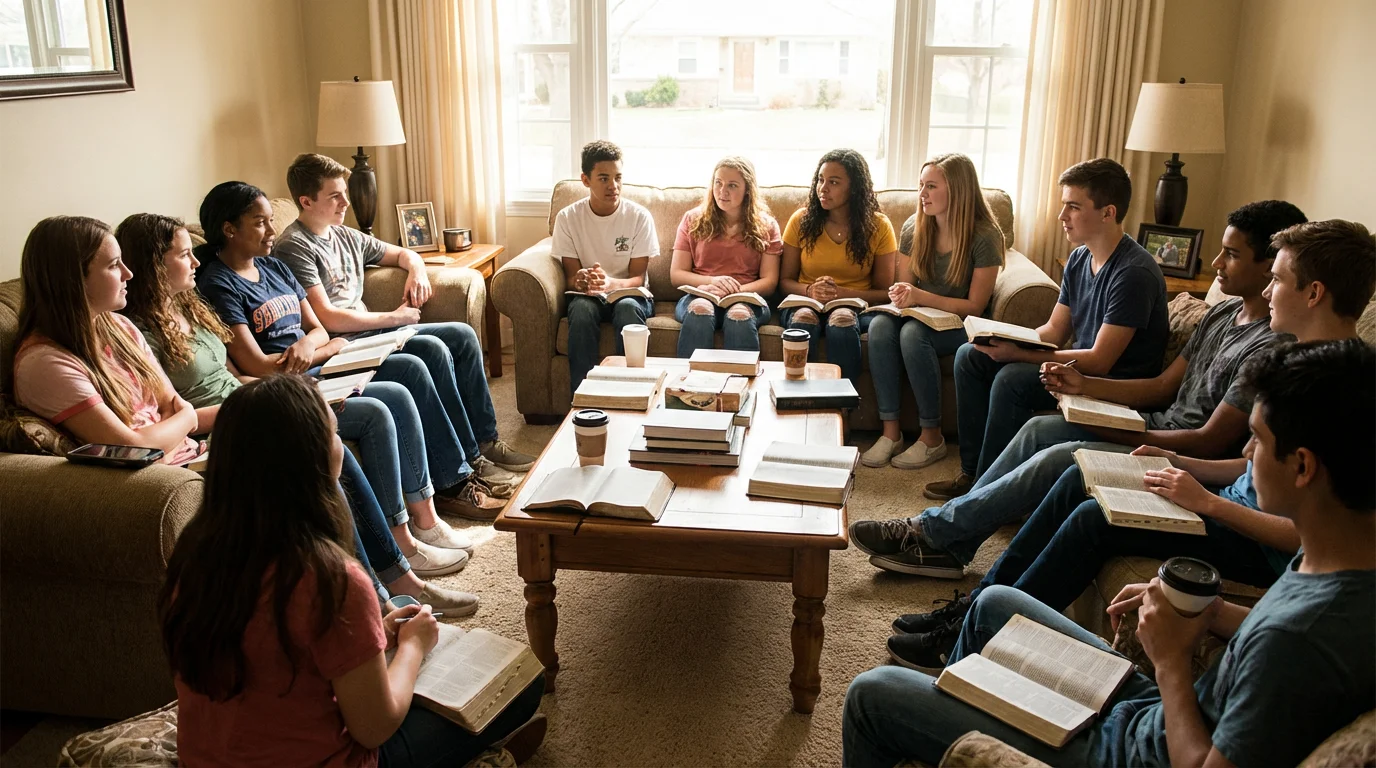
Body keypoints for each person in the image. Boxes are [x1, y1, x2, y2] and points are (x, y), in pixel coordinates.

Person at [844, 338, 1375, 768]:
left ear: (1303, 468)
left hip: (1129, 750)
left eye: (1256, 441)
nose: (1245, 454)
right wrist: (1212, 612)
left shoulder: (1298, 642)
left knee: (872, 694)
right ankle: (953, 726)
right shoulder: (1338, 553)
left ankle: (944, 729)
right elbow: (1277, 619)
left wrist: (1169, 661)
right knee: (994, 603)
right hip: (1154, 714)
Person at [879, 217, 1375, 668]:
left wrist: (1206, 503)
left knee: (1097, 519)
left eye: (1278, 280)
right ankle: (973, 610)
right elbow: (1245, 465)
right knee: (1079, 473)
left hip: (1252, 540)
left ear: (1313, 293)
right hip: (1217, 500)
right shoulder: (1299, 364)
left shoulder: (1341, 391)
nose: (1268, 290)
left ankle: (982, 638)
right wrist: (1176, 460)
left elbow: (1310, 532)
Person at [850, 202, 1313, 580]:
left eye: (1231, 255)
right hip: (1150, 423)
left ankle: (936, 534)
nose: (1215, 264)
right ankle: (948, 534)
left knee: (1061, 452)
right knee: (1036, 428)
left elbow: (1211, 440)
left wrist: (1130, 435)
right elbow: (1162, 387)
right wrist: (1084, 388)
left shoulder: (1273, 350)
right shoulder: (1220, 315)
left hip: (1169, 444)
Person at [159, 374, 548, 766]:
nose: (341, 444)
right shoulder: (330, 579)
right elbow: (374, 728)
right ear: (313, 460)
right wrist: (412, 647)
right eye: (334, 433)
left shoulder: (192, 556)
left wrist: (377, 636)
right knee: (524, 684)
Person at [116, 214, 479, 612]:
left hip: (253, 399)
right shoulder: (137, 333)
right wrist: (269, 394)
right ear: (154, 263)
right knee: (336, 435)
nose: (196, 262)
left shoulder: (189, 306)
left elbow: (233, 374)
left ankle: (403, 565)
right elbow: (178, 411)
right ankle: (384, 592)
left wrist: (282, 389)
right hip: (227, 424)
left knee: (360, 417)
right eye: (185, 255)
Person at [193, 181, 507, 521]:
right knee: (410, 372)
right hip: (297, 381)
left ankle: (466, 465)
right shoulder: (218, 284)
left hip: (318, 358)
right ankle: (452, 484)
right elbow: (260, 364)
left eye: (271, 220)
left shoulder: (273, 267)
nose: (272, 230)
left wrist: (309, 344)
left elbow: (316, 327)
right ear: (229, 229)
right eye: (260, 222)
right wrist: (322, 350)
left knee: (421, 359)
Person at [924, 157, 1169, 501]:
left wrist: (1019, 355)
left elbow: (1100, 361)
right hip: (1077, 369)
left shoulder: (1133, 273)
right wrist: (1003, 338)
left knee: (1012, 379)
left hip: (1113, 384)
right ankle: (973, 472)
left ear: (1107, 213)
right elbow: (1054, 329)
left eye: (1073, 206)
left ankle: (987, 492)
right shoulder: (1081, 258)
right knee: (971, 355)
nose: (1061, 216)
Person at [274, 153, 535, 475]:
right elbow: (327, 317)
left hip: (374, 333)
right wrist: (395, 318)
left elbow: (403, 253)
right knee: (432, 349)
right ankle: (471, 460)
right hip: (344, 344)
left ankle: (487, 441)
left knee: (463, 335)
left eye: (344, 192)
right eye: (335, 196)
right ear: (306, 201)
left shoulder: (344, 235)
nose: (346, 202)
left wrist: (417, 271)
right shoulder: (294, 246)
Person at [12, 216, 202, 467]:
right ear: (74, 279)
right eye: (114, 265)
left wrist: (165, 440)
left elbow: (170, 403)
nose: (128, 273)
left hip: (193, 455)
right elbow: (132, 449)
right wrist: (187, 419)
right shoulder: (43, 363)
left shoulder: (120, 326)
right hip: (162, 481)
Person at [862, 153, 1004, 469]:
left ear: (957, 191)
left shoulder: (984, 236)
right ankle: (891, 433)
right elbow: (906, 287)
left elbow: (974, 307)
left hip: (963, 323)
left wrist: (918, 296)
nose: (922, 194)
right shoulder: (915, 227)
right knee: (881, 328)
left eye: (931, 186)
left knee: (913, 335)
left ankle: (932, 437)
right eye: (920, 185)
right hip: (921, 315)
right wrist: (901, 295)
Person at [778, 148, 897, 383]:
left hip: (854, 308)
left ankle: (842, 405)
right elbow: (784, 282)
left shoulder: (879, 226)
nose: (823, 188)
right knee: (804, 316)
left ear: (854, 188)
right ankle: (798, 396)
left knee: (841, 317)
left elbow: (885, 293)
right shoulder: (800, 220)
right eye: (820, 180)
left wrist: (842, 294)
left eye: (833, 182)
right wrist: (810, 291)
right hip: (804, 302)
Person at [554, 140, 659, 394]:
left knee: (627, 308)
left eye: (618, 177)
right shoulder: (568, 218)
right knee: (580, 310)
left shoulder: (638, 216)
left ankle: (633, 393)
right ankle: (584, 399)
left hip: (630, 294)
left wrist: (611, 284)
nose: (613, 186)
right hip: (588, 297)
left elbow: (637, 278)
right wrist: (580, 280)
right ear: (585, 180)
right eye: (603, 178)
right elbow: (570, 279)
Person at [669, 156, 781, 357]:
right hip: (700, 294)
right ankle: (690, 385)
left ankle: (743, 384)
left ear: (748, 190)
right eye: (718, 183)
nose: (722, 191)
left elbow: (769, 281)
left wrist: (734, 292)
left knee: (738, 314)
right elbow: (677, 275)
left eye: (732, 185)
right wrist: (712, 282)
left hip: (747, 297)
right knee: (701, 309)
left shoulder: (767, 225)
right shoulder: (692, 219)